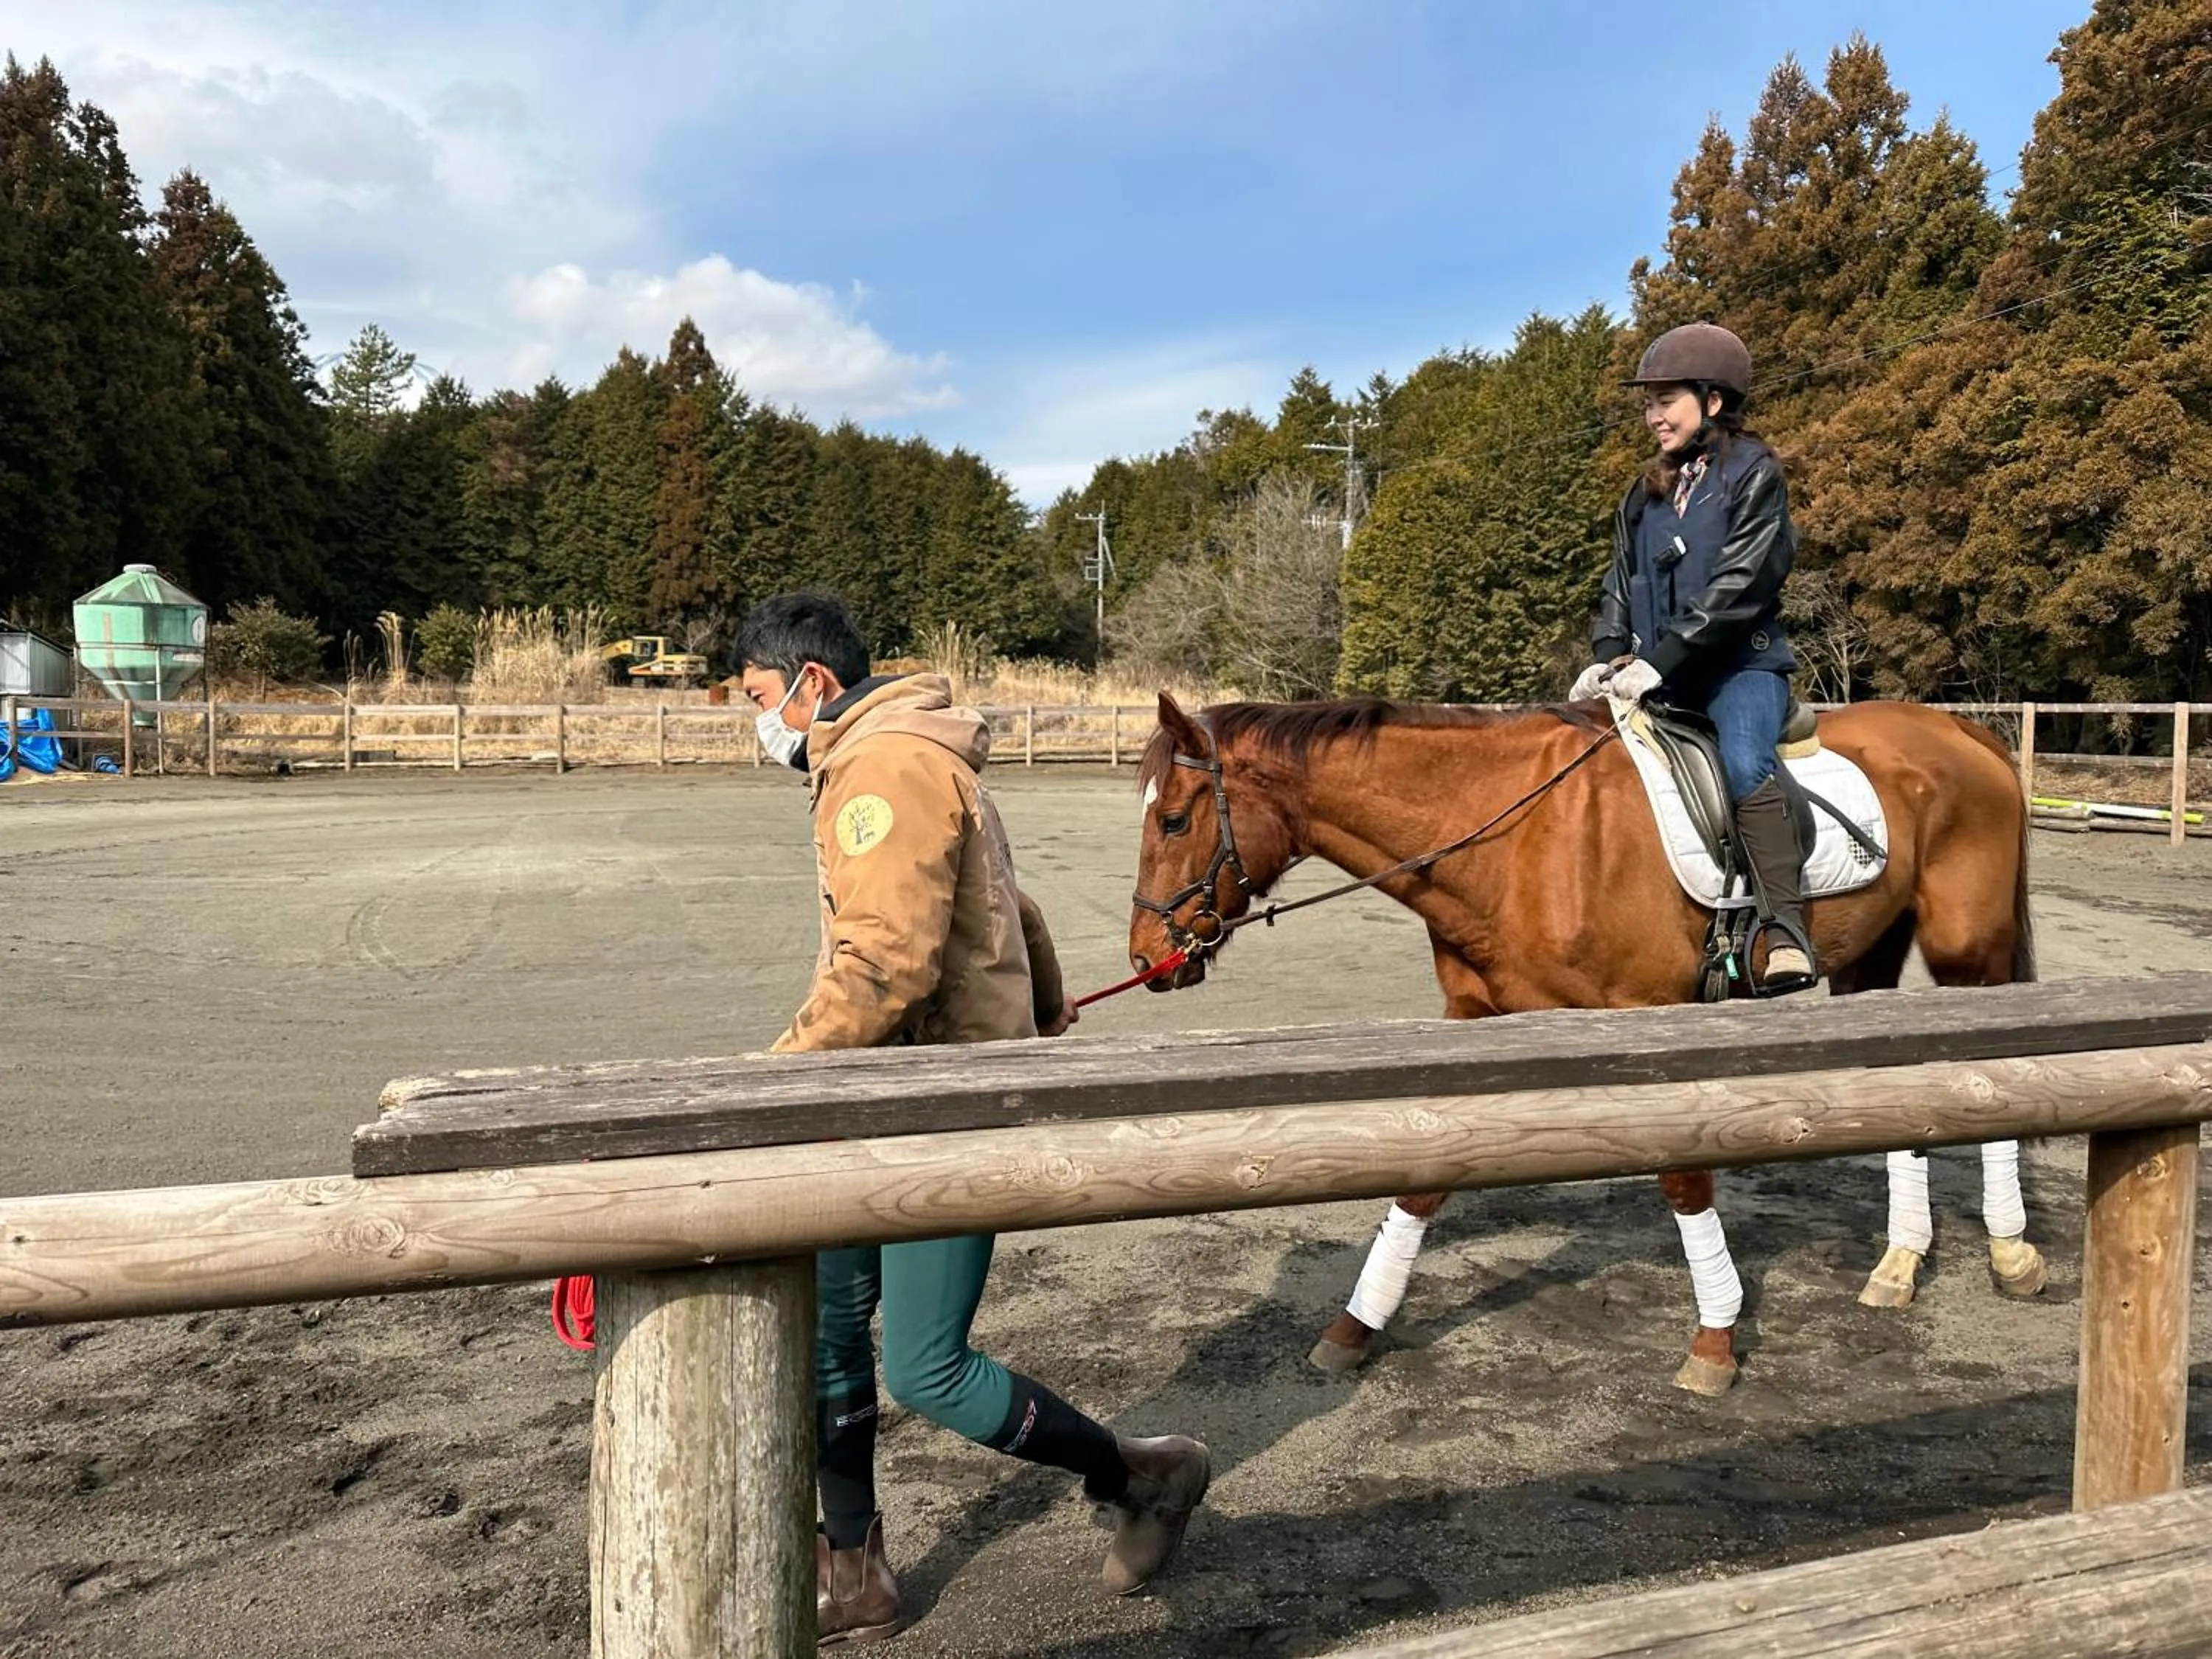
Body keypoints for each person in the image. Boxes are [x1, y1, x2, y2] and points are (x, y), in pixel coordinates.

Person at [733, 591, 1210, 1644]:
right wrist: (1038, 1001)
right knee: (829, 1330)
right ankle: (853, 1570)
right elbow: (1011, 904)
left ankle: (1139, 1474)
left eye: (761, 697)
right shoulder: (899, 751)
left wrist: (770, 1082)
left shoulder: (884, 764)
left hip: (934, 1107)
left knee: (927, 1368)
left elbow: (886, 963)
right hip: (881, 1093)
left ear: (813, 682)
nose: (757, 723)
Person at [1571, 322, 1816, 994]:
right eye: (1647, 403)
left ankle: (1785, 933)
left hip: (1742, 670)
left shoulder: (1754, 475)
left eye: (1666, 400)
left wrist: (1667, 655)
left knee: (1742, 761)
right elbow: (1619, 583)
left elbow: (1743, 582)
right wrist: (1611, 655)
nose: (1652, 416)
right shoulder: (1644, 493)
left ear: (1712, 401)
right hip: (1656, 674)